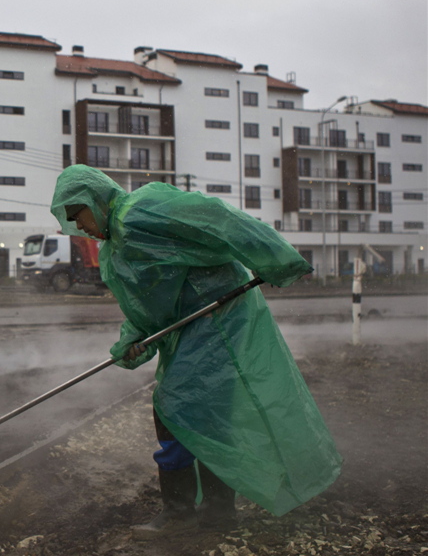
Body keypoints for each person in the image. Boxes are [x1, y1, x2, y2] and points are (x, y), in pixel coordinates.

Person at [51, 165, 341, 538]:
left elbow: (218, 218)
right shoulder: (112, 252)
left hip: (218, 317)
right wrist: (133, 342)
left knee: (181, 405)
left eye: (80, 214)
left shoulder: (144, 209)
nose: (80, 226)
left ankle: (188, 514)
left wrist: (273, 255)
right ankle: (209, 514)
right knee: (195, 411)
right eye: (72, 220)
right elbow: (145, 307)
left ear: (96, 199)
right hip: (188, 331)